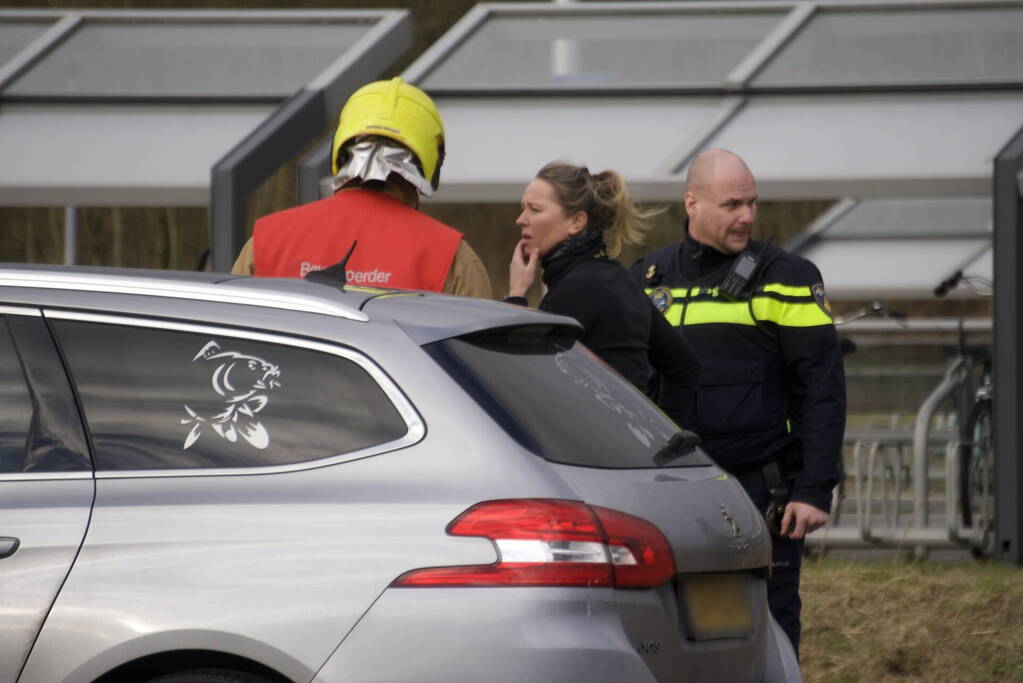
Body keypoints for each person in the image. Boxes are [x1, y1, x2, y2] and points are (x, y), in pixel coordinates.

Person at [630, 148, 846, 656]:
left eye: (751, 203)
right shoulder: (648, 277)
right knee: (674, 638)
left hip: (761, 494)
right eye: (731, 205)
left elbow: (823, 389)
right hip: (673, 495)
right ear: (692, 204)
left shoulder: (788, 277)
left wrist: (814, 489)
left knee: (767, 637)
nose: (747, 216)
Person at [231, 77, 491, 299]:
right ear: (430, 161)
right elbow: (474, 352)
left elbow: (229, 333)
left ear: (340, 149)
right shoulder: (452, 258)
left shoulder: (265, 242)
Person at [505, 161, 699, 425]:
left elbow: (517, 379)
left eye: (534, 209)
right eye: (523, 208)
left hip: (596, 455)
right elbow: (684, 365)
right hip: (623, 453)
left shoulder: (580, 288)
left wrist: (516, 294)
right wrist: (661, 439)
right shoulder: (613, 278)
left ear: (576, 222)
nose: (520, 219)